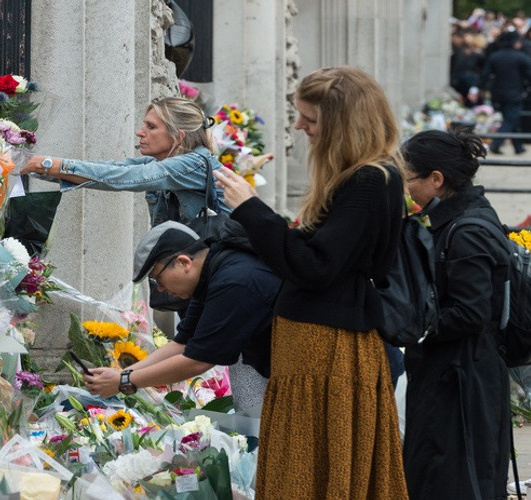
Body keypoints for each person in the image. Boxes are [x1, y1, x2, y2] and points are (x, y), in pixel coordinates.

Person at [213, 66, 408, 498]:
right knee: (307, 462)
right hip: (316, 346)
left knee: (310, 466)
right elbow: (317, 252)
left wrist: (252, 209)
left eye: (311, 119)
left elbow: (315, 267)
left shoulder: (369, 181)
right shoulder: (362, 179)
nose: (299, 126)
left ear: (344, 125)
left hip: (327, 347)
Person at [399, 129, 510, 499]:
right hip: (455, 372)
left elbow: (470, 312)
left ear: (436, 179)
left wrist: (412, 328)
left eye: (408, 179)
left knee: (450, 479)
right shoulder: (462, 216)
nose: (406, 188)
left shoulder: (466, 232)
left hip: (462, 382)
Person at [82, 220, 281, 413]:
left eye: (158, 278)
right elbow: (182, 344)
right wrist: (123, 374)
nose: (160, 289)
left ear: (183, 262)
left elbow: (198, 360)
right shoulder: (210, 274)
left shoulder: (233, 282)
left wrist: (125, 382)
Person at [20, 97, 230, 226]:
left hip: (221, 272)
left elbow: (125, 178)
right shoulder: (159, 163)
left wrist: (47, 164)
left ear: (179, 136)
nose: (140, 132)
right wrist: (31, 165)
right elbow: (111, 170)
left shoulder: (195, 163)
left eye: (151, 127)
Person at [470, 29, 531, 154]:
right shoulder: (521, 57)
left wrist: (476, 88)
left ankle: (518, 146)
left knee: (511, 119)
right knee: (511, 119)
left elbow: (485, 75)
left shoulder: (495, 56)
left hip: (497, 93)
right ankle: (495, 143)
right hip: (515, 93)